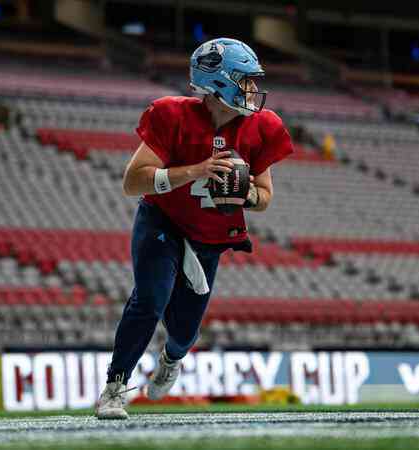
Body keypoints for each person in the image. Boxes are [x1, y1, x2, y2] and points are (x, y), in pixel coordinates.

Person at [95, 38, 294, 419]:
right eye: (244, 80)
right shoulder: (171, 115)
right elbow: (133, 182)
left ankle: (171, 359)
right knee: (150, 299)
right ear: (218, 82)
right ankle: (115, 387)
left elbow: (265, 197)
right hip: (163, 222)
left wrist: (244, 193)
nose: (252, 89)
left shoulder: (260, 126)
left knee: (185, 331)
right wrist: (197, 171)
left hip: (209, 236)